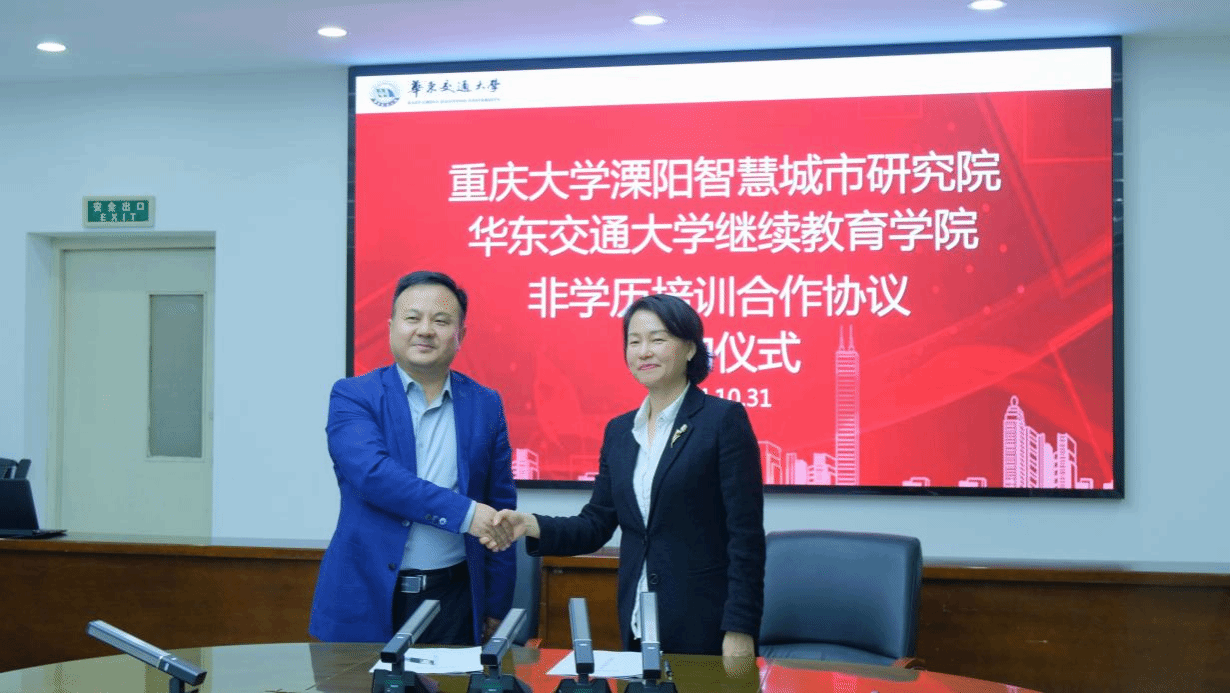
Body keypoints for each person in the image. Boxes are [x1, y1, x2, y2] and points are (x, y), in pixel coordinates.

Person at [486, 294, 765, 657]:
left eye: (658, 339)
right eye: (634, 341)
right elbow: (596, 524)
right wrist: (530, 524)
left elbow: (745, 537)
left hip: (704, 625)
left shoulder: (722, 420)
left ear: (690, 348)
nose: (644, 351)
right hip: (636, 621)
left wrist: (740, 627)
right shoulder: (620, 432)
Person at [310, 271, 517, 645]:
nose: (425, 330)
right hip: (365, 597)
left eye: (441, 321)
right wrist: (466, 514)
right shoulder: (353, 396)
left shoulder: (486, 404)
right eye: (412, 318)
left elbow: (501, 508)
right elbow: (373, 475)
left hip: (453, 600)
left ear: (460, 334)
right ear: (392, 327)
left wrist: (496, 606)